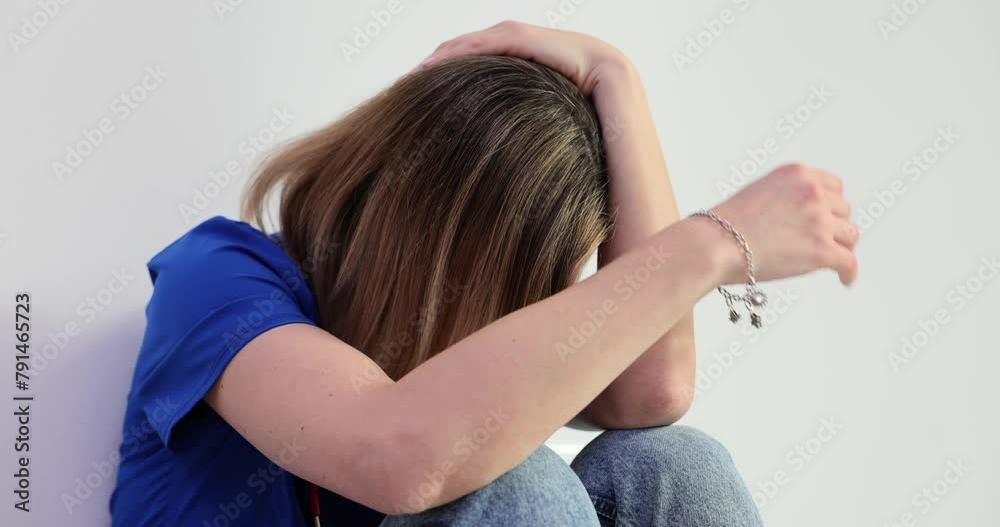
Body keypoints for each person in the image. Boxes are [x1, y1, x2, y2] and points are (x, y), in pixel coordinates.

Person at [110, 21, 859, 526]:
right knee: (517, 489)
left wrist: (618, 78)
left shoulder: (470, 357)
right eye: (528, 273)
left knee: (671, 465)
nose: (540, 298)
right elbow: (400, 457)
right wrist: (710, 245)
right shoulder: (219, 277)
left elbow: (651, 393)